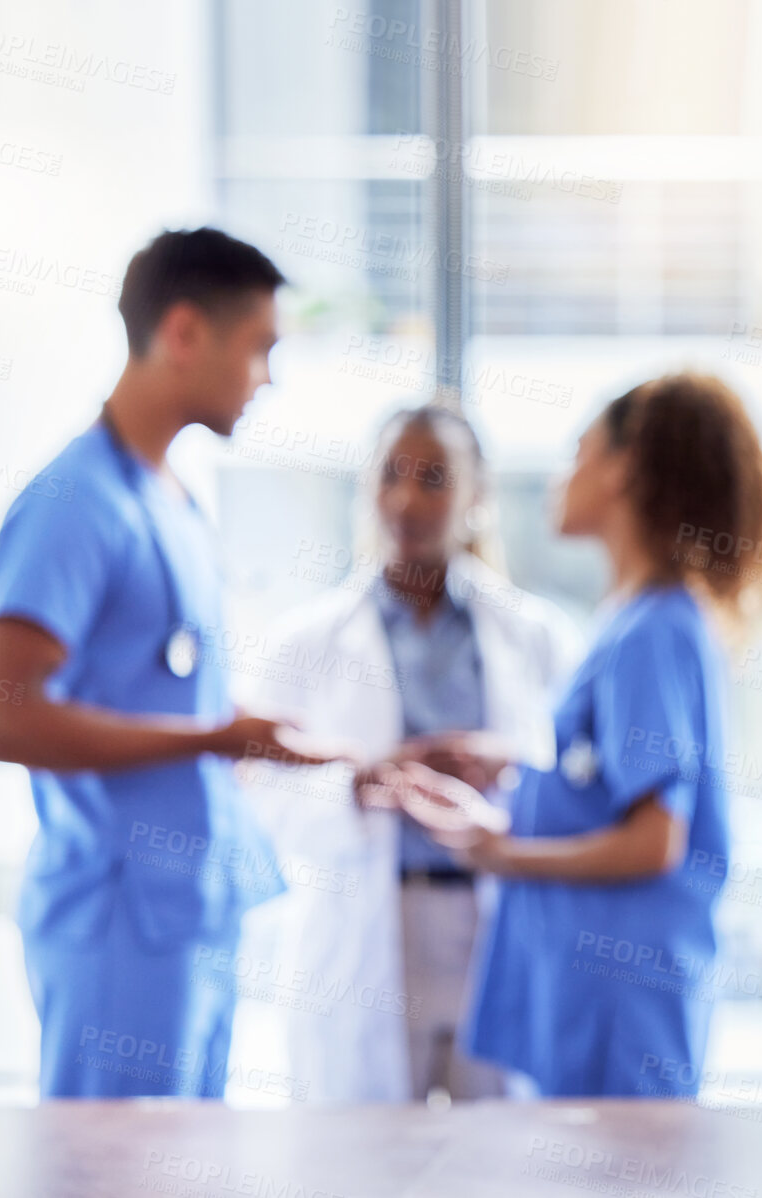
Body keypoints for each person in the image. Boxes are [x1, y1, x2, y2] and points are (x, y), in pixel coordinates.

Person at [0, 227, 339, 1098]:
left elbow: (166, 699)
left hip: (188, 920)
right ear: (183, 334)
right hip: (116, 929)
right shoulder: (75, 502)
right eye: (260, 349)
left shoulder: (172, 500)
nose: (269, 378)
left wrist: (264, 743)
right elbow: (2, 715)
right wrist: (217, 737)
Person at [397, 372, 762, 1098]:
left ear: (624, 467)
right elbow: (609, 778)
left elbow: (654, 839)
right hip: (604, 1001)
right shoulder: (638, 620)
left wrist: (500, 852)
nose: (558, 475)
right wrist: (516, 766)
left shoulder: (653, 630)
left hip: (619, 1007)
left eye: (577, 452)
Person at [235, 402, 580, 1103]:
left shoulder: (536, 635)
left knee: (495, 1163)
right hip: (364, 919)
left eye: (433, 478)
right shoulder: (305, 641)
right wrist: (354, 788)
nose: (407, 499)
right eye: (390, 475)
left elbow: (578, 785)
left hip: (489, 921)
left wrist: (505, 762)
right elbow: (256, 794)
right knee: (363, 1166)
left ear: (476, 497)